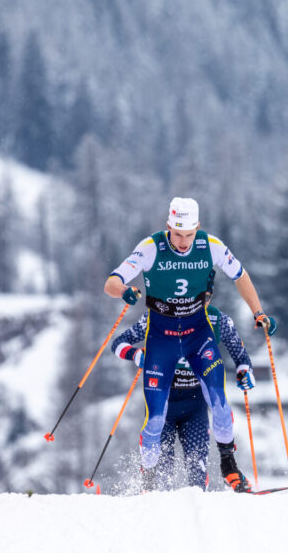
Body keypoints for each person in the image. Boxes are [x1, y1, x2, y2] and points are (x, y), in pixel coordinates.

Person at [103, 196, 276, 492]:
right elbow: (112, 281)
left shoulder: (211, 245)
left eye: (189, 234)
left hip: (198, 335)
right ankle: (148, 478)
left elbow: (241, 275)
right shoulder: (150, 248)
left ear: (198, 227)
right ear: (168, 226)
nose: (183, 242)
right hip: (162, 339)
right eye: (177, 234)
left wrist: (258, 312)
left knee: (220, 405)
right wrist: (124, 291)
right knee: (154, 421)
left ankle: (228, 464)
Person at [111, 281, 256, 490]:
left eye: (206, 298)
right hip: (164, 401)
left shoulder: (218, 320)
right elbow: (118, 343)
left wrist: (245, 372)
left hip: (194, 403)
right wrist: (136, 355)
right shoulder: (158, 317)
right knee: (162, 475)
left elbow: (241, 356)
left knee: (197, 473)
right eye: (197, 298)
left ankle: (229, 469)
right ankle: (148, 487)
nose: (201, 303)